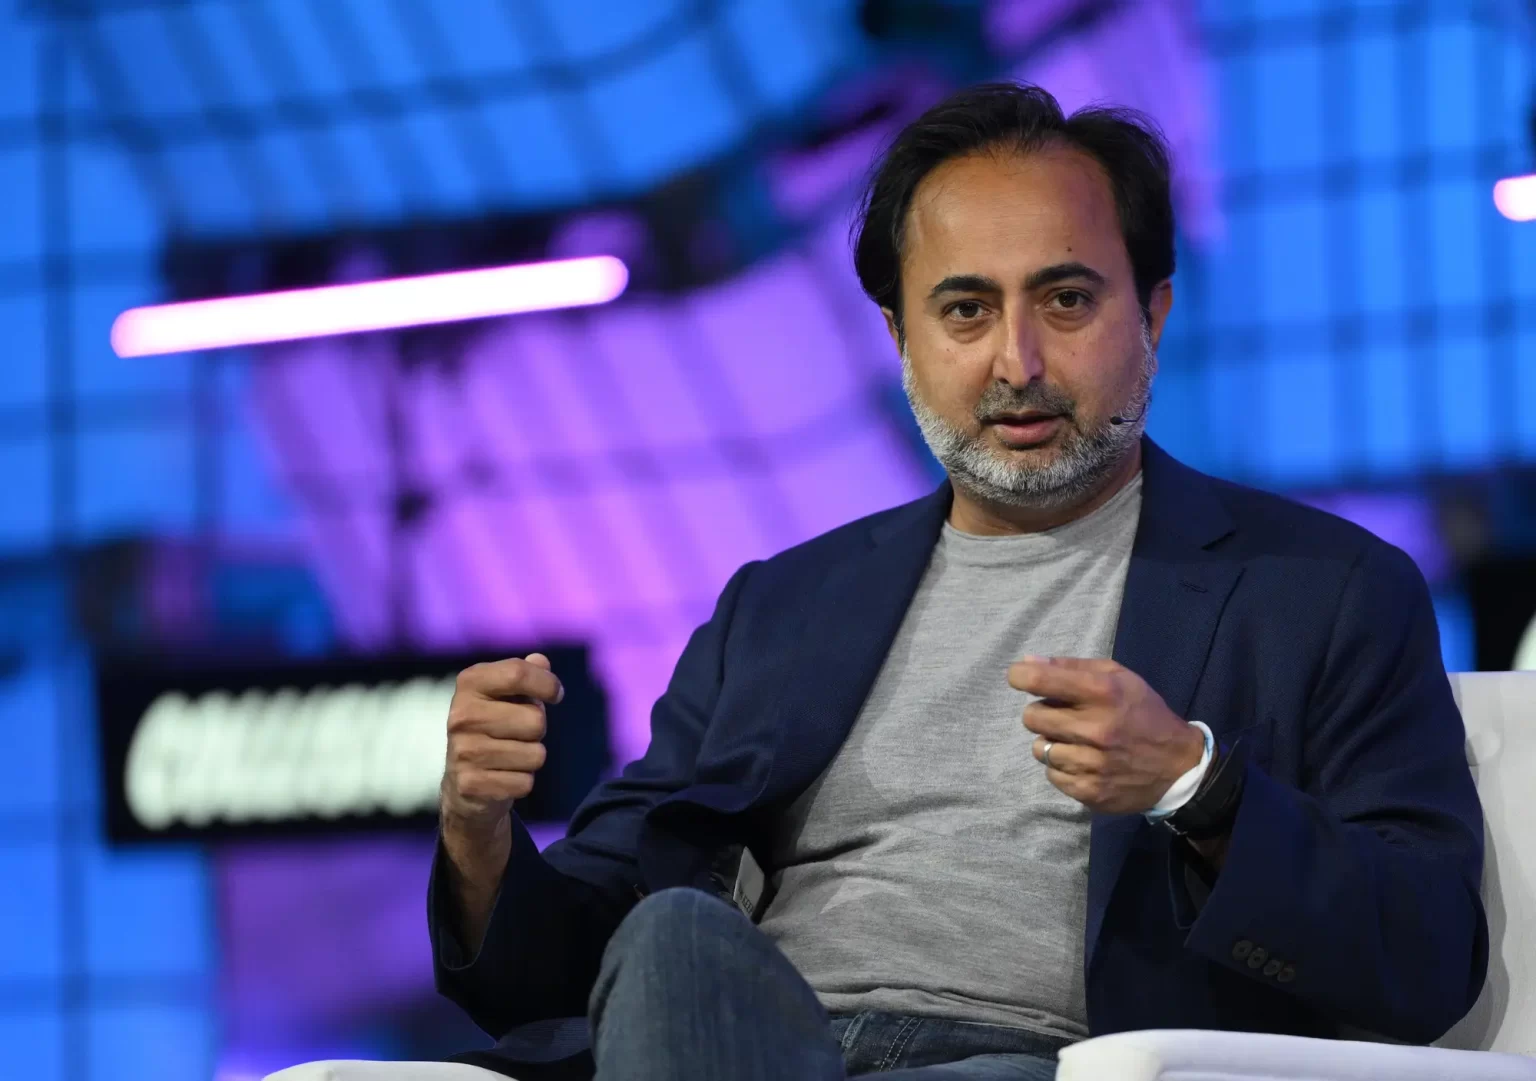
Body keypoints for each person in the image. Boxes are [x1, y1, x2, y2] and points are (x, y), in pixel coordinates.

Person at [427, 83, 1487, 1081]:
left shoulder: (1323, 591)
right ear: (901, 338)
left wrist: (1197, 785)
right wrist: (479, 838)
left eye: (1065, 300)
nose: (1017, 362)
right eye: (966, 311)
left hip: (1030, 1059)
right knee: (673, 939)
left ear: (1154, 314)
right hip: (746, 1042)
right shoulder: (782, 608)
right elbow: (569, 965)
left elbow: (1431, 956)